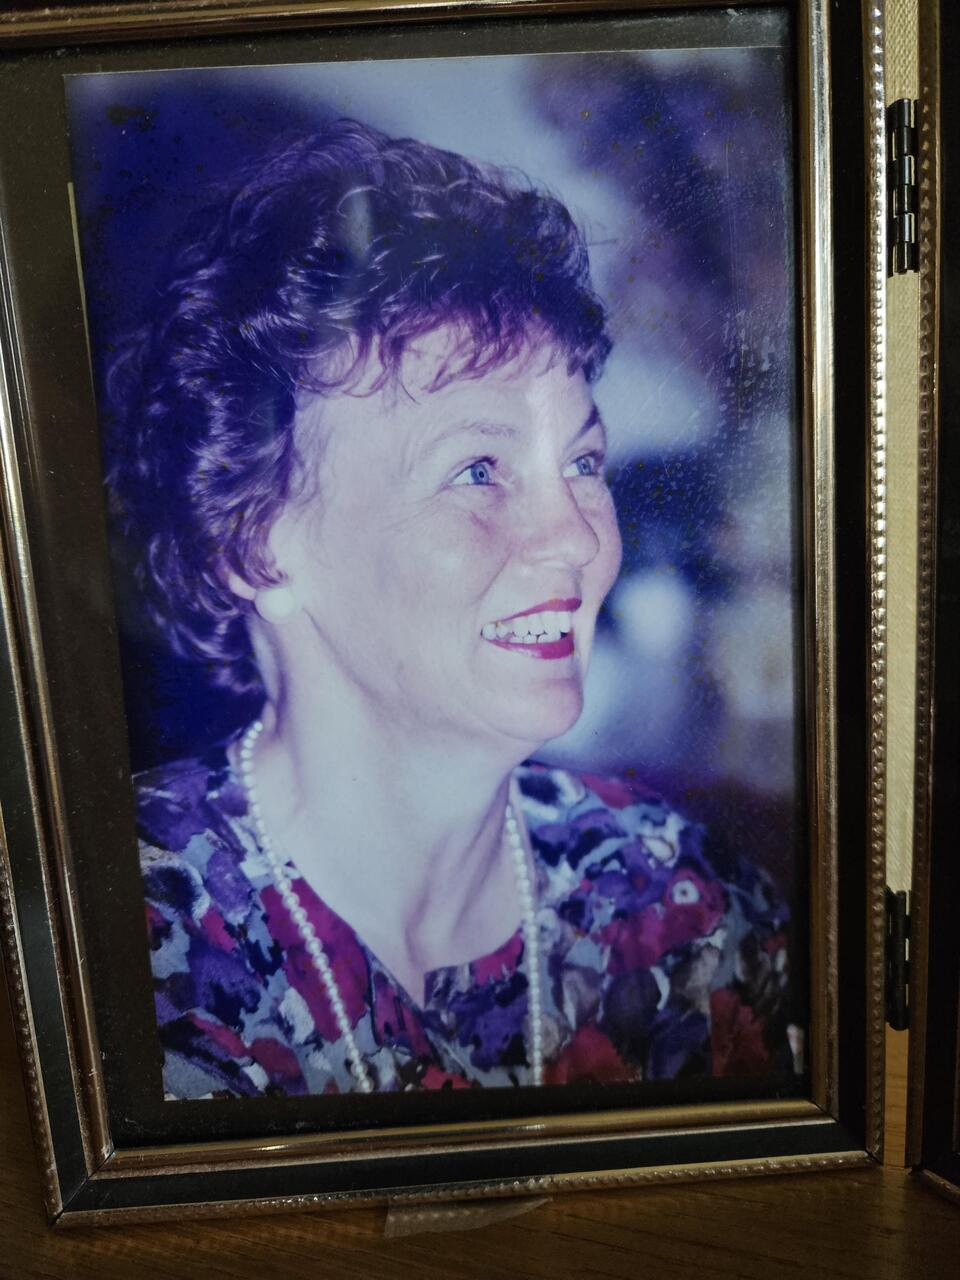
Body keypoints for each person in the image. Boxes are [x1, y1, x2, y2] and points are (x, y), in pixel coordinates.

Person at [108, 119, 795, 1098]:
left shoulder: (687, 907)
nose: (576, 536)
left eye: (583, 462)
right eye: (478, 469)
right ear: (254, 541)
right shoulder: (116, 947)